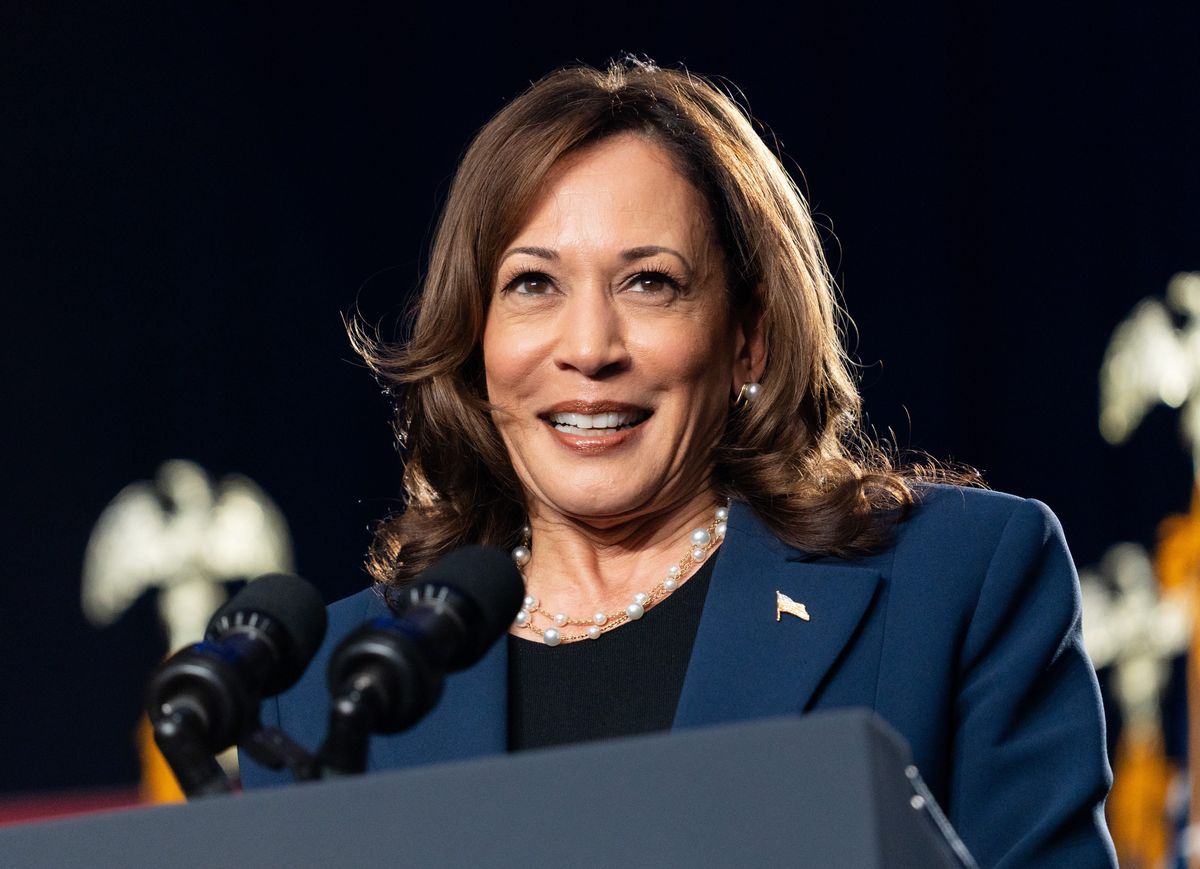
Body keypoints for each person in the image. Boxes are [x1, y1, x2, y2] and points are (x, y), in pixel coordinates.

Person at [241, 58, 1116, 867]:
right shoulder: (327, 692)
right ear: (474, 345)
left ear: (748, 338)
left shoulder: (961, 582)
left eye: (649, 282)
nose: (589, 347)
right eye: (532, 284)